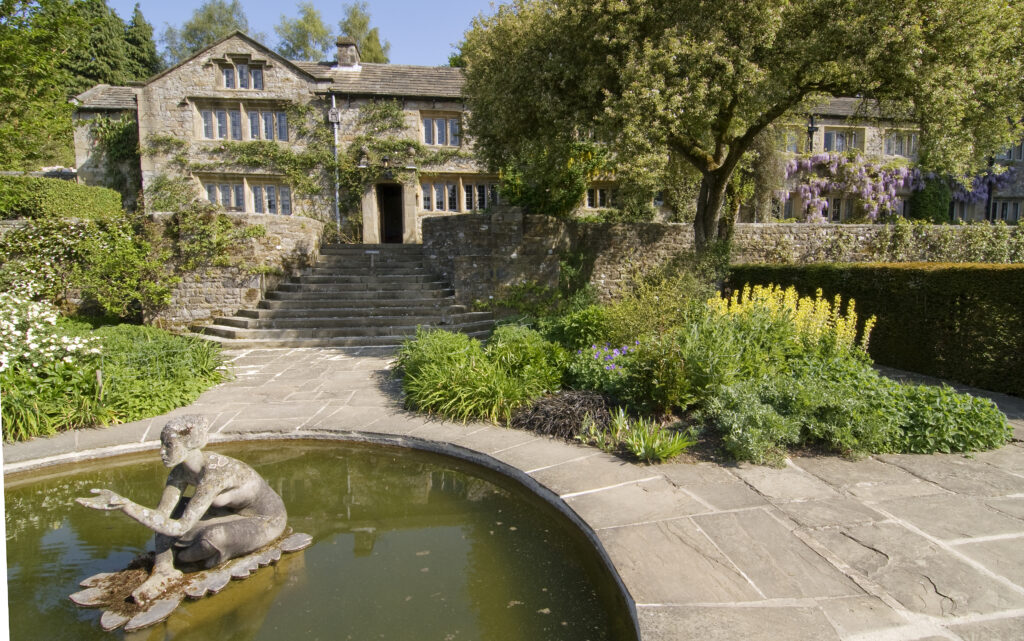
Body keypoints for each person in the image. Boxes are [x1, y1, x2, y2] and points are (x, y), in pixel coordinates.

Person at [77, 415, 287, 604]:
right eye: (162, 444)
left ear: (188, 445)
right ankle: (165, 569)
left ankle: (182, 563)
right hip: (229, 513)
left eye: (168, 445)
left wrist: (124, 505)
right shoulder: (179, 472)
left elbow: (179, 527)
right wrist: (162, 561)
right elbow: (161, 516)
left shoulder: (216, 474)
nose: (162, 451)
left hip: (266, 519)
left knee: (212, 539)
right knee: (175, 520)